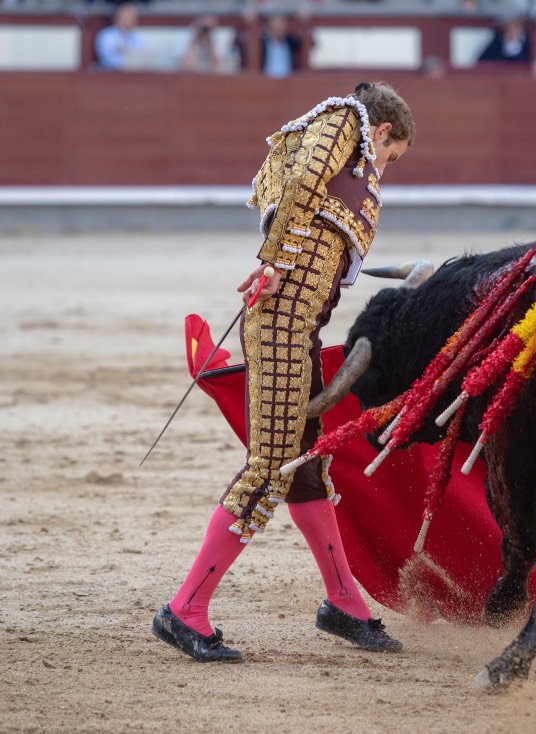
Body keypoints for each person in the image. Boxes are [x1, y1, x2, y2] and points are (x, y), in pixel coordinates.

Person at [151, 82, 415, 662]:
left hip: (300, 331)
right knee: (270, 467)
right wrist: (272, 258)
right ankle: (184, 611)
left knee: (305, 467)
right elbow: (302, 182)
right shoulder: (348, 119)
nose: (383, 172)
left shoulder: (353, 146)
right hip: (279, 326)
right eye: (390, 159)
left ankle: (343, 602)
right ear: (385, 131)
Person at [234, 12, 310, 77]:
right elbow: (240, 45)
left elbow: (308, 45)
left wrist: (304, 22)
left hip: (288, 85)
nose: (279, 26)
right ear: (269, 24)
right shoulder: (262, 44)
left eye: (282, 21)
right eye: (275, 21)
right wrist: (248, 23)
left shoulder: (292, 43)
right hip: (265, 84)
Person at [94, 2, 147, 71]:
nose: (129, 20)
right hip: (110, 75)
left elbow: (143, 58)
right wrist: (127, 64)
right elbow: (107, 59)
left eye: (132, 17)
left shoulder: (139, 38)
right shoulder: (106, 36)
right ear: (117, 18)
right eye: (126, 17)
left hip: (134, 74)